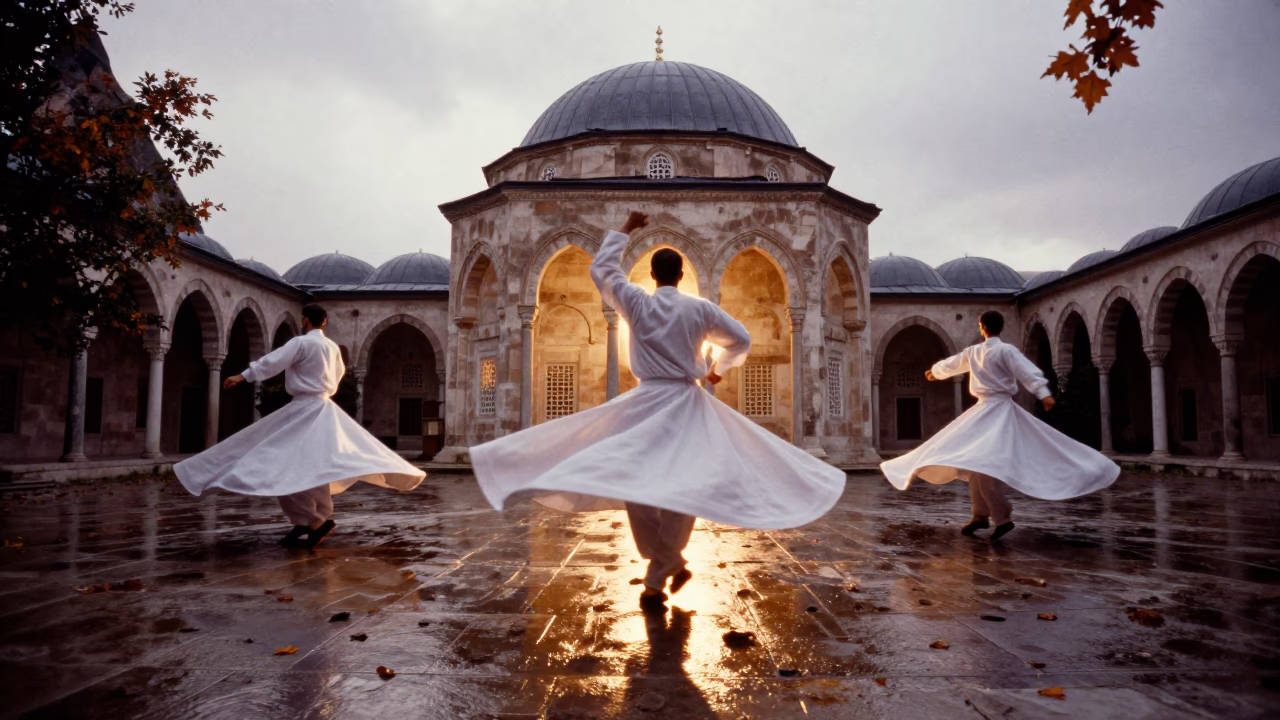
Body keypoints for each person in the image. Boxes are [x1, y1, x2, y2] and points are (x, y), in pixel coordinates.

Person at [471, 211, 847, 611]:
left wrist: (626, 230)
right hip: (686, 403)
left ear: (651, 275)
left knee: (641, 483)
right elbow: (740, 339)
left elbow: (602, 269)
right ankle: (667, 562)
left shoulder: (636, 302)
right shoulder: (699, 309)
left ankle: (659, 568)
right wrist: (716, 370)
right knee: (681, 483)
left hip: (646, 403)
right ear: (681, 275)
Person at [174, 303, 426, 549]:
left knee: (286, 466)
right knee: (310, 466)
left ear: (305, 320)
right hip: (324, 409)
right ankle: (308, 521)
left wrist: (242, 376)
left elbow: (272, 362)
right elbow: (337, 378)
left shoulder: (301, 343)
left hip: (304, 410)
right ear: (324, 322)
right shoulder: (332, 348)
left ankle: (315, 521)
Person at [880, 310, 1120, 541]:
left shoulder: (986, 351)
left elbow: (954, 365)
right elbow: (1026, 373)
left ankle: (1002, 518)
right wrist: (1042, 393)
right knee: (974, 462)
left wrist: (934, 371)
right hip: (987, 411)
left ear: (981, 327)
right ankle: (980, 515)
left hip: (999, 413)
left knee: (986, 465)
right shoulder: (991, 351)